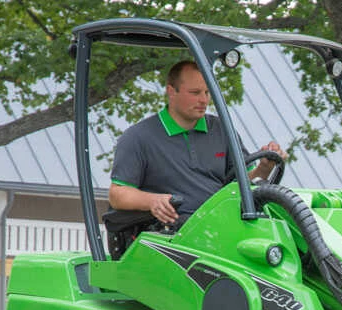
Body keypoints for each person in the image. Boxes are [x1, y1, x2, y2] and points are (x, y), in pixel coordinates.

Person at [108, 60, 287, 228]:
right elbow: (118, 194)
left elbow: (243, 184)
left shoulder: (222, 130)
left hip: (222, 224)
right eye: (195, 93)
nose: (203, 100)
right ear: (171, 91)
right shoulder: (139, 137)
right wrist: (152, 201)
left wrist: (265, 168)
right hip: (172, 234)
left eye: (207, 92)